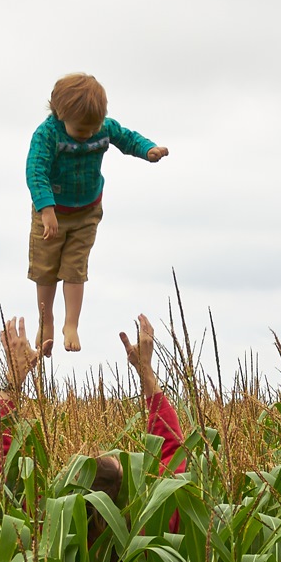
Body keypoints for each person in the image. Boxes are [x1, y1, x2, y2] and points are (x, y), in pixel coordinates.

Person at [0, 313, 186, 562]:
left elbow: (2, 464)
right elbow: (172, 456)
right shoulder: (149, 529)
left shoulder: (51, 532)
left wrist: (12, 383)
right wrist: (148, 378)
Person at [25, 74, 168, 355]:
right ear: (59, 113)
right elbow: (35, 171)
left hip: (87, 210)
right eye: (81, 129)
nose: (88, 134)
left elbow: (128, 138)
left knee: (75, 267)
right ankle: (46, 320)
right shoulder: (47, 135)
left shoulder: (103, 127)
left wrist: (148, 149)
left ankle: (71, 323)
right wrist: (46, 210)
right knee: (46, 268)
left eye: (93, 128)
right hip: (51, 211)